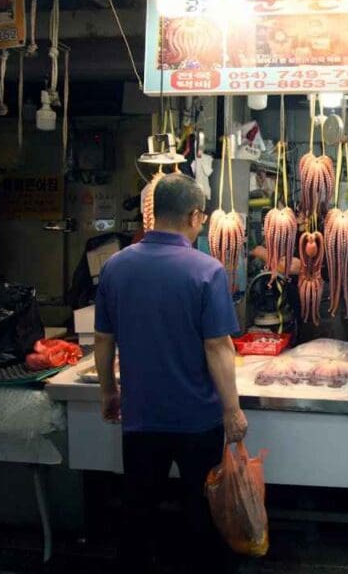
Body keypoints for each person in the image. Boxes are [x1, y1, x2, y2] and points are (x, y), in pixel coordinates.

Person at [94, 173, 247, 573]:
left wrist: (109, 392)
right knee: (201, 509)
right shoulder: (206, 271)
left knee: (138, 510)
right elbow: (218, 347)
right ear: (195, 216)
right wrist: (231, 409)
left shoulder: (115, 267)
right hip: (197, 419)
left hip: (141, 416)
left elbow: (103, 341)